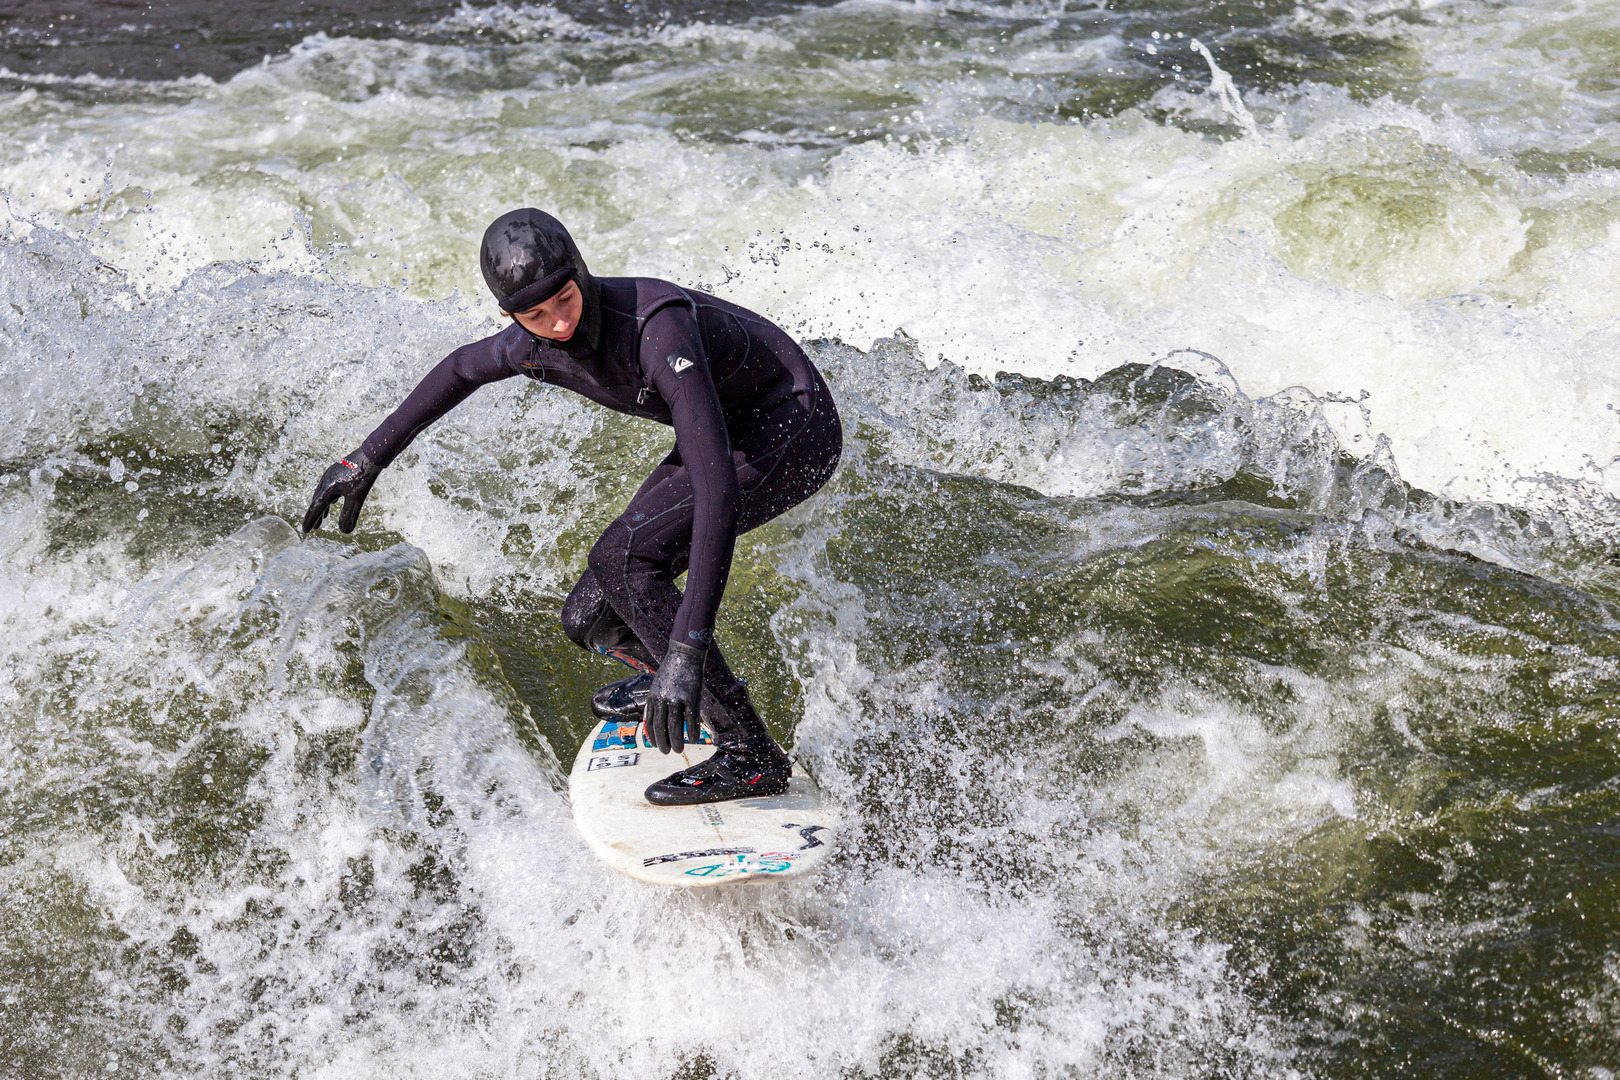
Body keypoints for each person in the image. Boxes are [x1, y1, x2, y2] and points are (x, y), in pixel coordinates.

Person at [301, 208, 841, 806]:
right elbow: (459, 369)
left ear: (581, 273)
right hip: (727, 425)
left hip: (791, 424)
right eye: (535, 315)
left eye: (565, 298)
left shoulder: (657, 329)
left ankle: (749, 754)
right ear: (512, 316)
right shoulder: (532, 343)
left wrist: (688, 648)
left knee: (625, 558)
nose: (558, 323)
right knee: (590, 616)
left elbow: (717, 493)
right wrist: (364, 460)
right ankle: (676, 677)